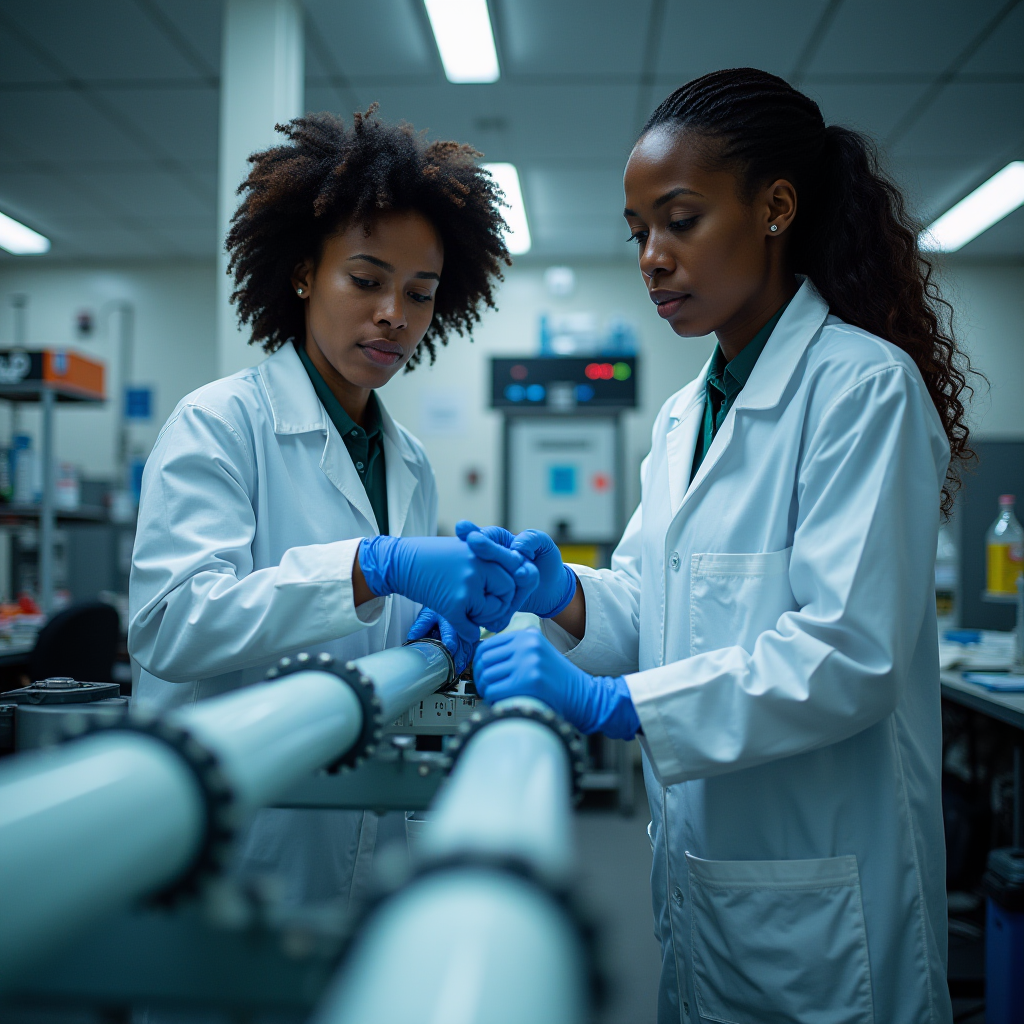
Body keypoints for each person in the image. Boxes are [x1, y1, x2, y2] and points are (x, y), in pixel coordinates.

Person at [464, 69, 973, 1023]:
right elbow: (653, 604)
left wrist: (616, 706)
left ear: (775, 207)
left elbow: (846, 654)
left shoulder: (863, 391)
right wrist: (560, 595)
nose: (651, 257)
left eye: (680, 219)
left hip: (827, 901)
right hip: (706, 888)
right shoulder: (678, 420)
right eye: (638, 232)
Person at [128, 108, 533, 909]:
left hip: (364, 821)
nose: (396, 315)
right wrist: (368, 567)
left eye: (420, 293)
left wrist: (449, 650)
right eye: (367, 279)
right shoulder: (220, 425)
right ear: (305, 272)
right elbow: (171, 626)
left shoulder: (407, 458)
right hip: (237, 828)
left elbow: (382, 646)